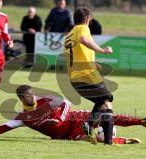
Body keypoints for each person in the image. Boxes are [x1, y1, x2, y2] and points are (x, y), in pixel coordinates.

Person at [0, 85, 146, 144]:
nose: (32, 96)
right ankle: (125, 141)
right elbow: (3, 127)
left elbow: (66, 103)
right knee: (97, 138)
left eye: (32, 93)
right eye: (28, 95)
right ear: (21, 98)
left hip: (74, 117)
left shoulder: (46, 99)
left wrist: (59, 118)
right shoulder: (24, 118)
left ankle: (142, 121)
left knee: (108, 116)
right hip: (66, 134)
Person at [63, 7, 114, 145]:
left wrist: (92, 64)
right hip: (86, 75)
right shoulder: (82, 28)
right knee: (107, 100)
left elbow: (76, 55)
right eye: (89, 20)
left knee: (102, 102)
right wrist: (102, 50)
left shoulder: (69, 35)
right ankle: (99, 134)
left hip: (75, 79)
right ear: (87, 19)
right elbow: (84, 40)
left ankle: (90, 125)